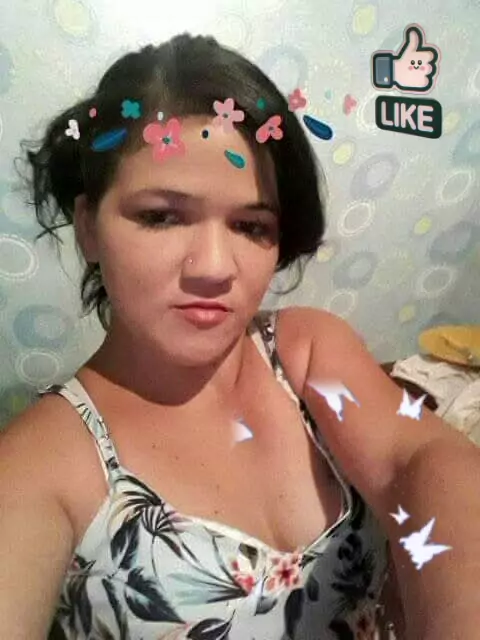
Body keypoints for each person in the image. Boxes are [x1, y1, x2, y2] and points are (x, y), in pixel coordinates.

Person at [0, 33, 479, 640]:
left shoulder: (305, 356)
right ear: (89, 227)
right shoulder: (40, 464)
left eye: (251, 226)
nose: (214, 267)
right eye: (161, 216)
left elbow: (416, 458)